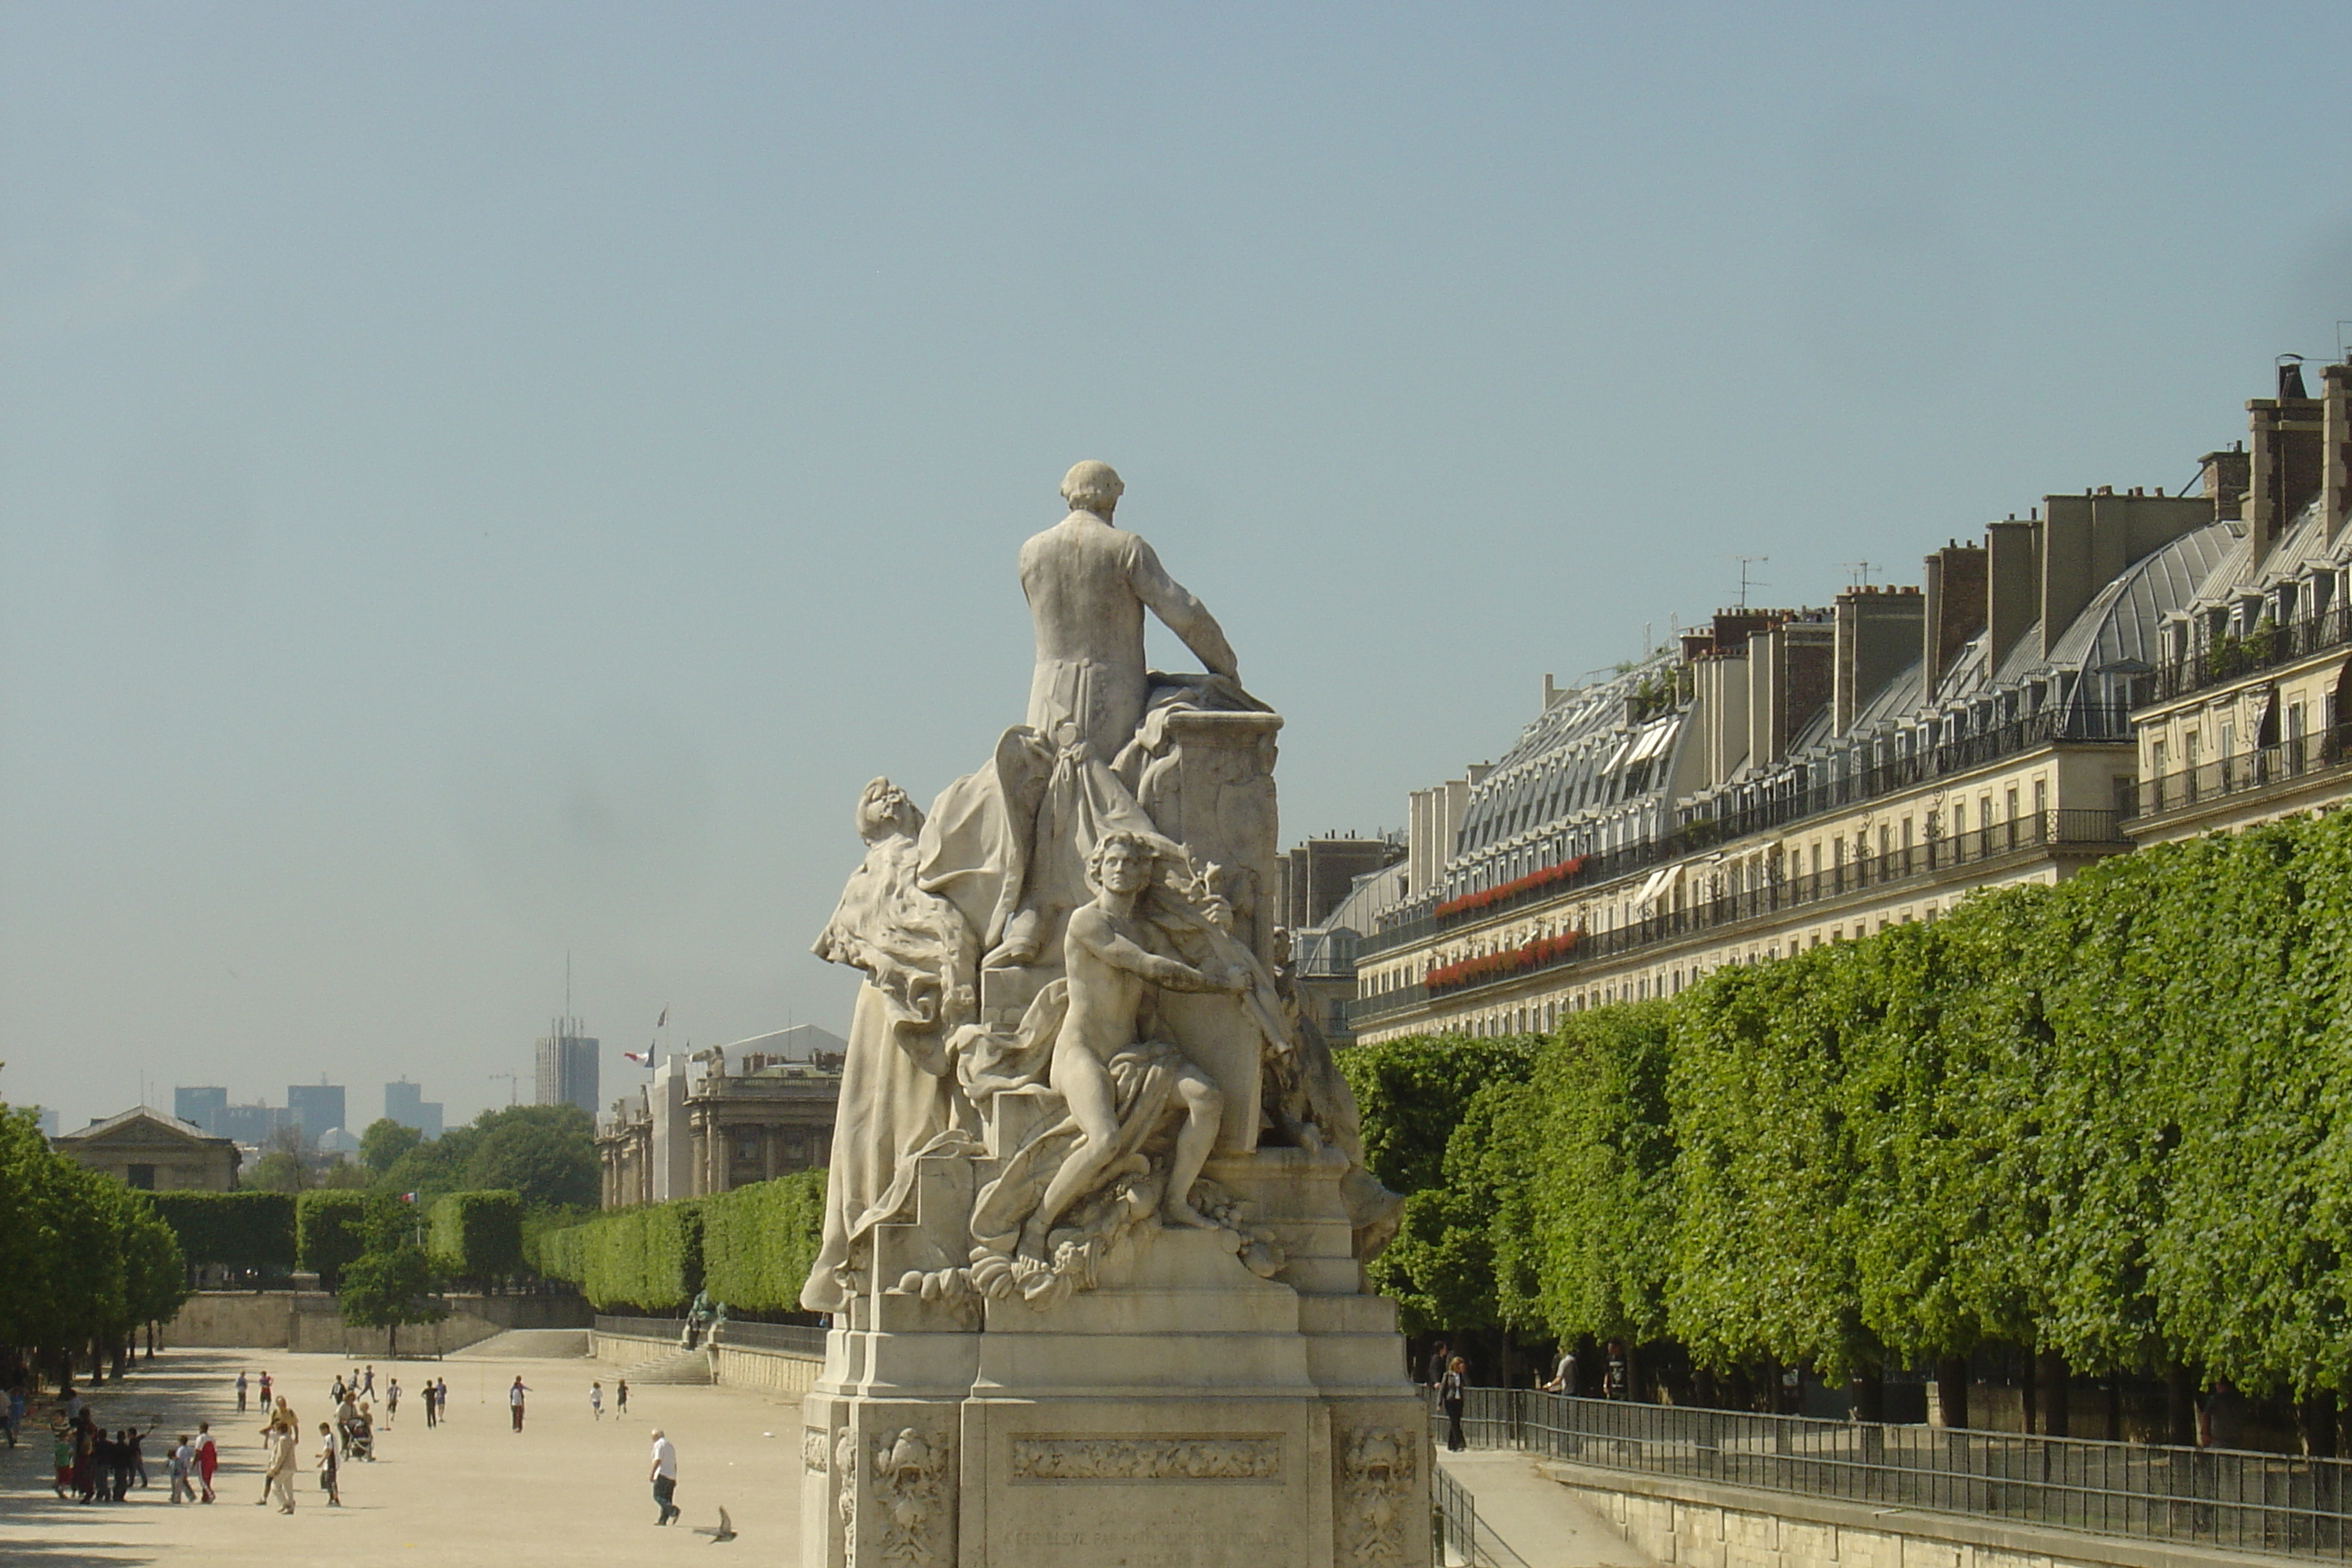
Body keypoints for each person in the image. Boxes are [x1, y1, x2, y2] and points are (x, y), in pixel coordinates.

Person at [264, 1416, 298, 1514]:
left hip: (284, 1467)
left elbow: (280, 1455)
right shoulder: (289, 1438)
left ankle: (285, 1504)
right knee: (288, 1487)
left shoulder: (283, 1440)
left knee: (275, 1486)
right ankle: (290, 1505)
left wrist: (275, 1468)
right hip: (291, 1466)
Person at [649, 1427, 680, 1525]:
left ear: (656, 1436)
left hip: (662, 1474)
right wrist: (675, 1476)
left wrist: (652, 1473)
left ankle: (673, 1510)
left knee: (657, 1496)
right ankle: (662, 1520)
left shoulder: (659, 1445)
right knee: (667, 1498)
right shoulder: (670, 1445)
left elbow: (657, 1460)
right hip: (671, 1475)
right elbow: (674, 1462)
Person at [1442, 1356, 1468, 1453]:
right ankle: (1460, 1443)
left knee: (1456, 1422)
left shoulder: (1461, 1376)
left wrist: (1463, 1373)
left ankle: (1451, 1444)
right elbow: (1442, 1389)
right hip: (1450, 1400)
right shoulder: (1448, 1375)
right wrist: (1439, 1402)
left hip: (1459, 1400)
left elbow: (1467, 1383)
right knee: (1454, 1421)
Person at [316, 1422, 341, 1505]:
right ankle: (332, 1498)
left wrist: (321, 1461)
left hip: (331, 1463)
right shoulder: (331, 1437)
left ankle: (335, 1499)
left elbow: (328, 1451)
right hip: (330, 1462)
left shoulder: (328, 1437)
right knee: (326, 1480)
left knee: (330, 1481)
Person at [195, 1421, 218, 1502]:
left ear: (201, 1429)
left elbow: (198, 1451)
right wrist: (215, 1463)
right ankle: (205, 1497)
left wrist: (194, 1462)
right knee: (208, 1479)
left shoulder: (200, 1438)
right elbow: (215, 1452)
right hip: (210, 1461)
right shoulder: (212, 1439)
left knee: (202, 1480)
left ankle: (210, 1494)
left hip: (203, 1461)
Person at [168, 1434, 195, 1504]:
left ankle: (188, 1495)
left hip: (181, 1468)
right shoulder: (188, 1449)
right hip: (186, 1466)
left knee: (179, 1483)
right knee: (184, 1482)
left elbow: (179, 1459)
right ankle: (190, 1495)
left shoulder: (180, 1450)